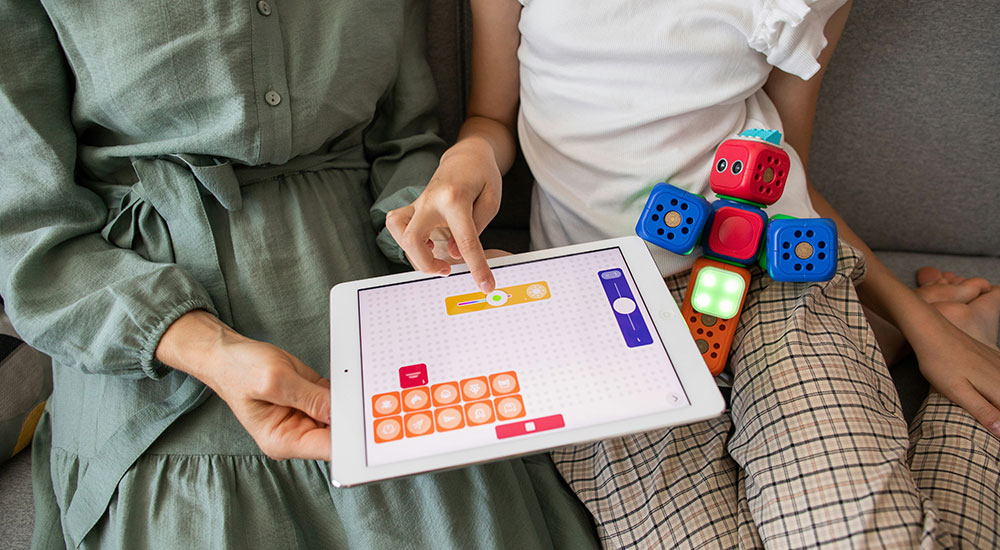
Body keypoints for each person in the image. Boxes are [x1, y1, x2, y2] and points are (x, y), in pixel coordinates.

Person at [389, 0, 1000, 547]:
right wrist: (466, 157)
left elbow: (792, 177)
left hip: (772, 278)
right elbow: (490, 118)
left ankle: (915, 335)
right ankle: (922, 344)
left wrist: (927, 332)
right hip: (605, 309)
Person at [0, 1, 602, 548]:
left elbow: (404, 141)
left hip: (372, 306)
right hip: (148, 348)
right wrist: (206, 349)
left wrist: (434, 241)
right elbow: (27, 234)